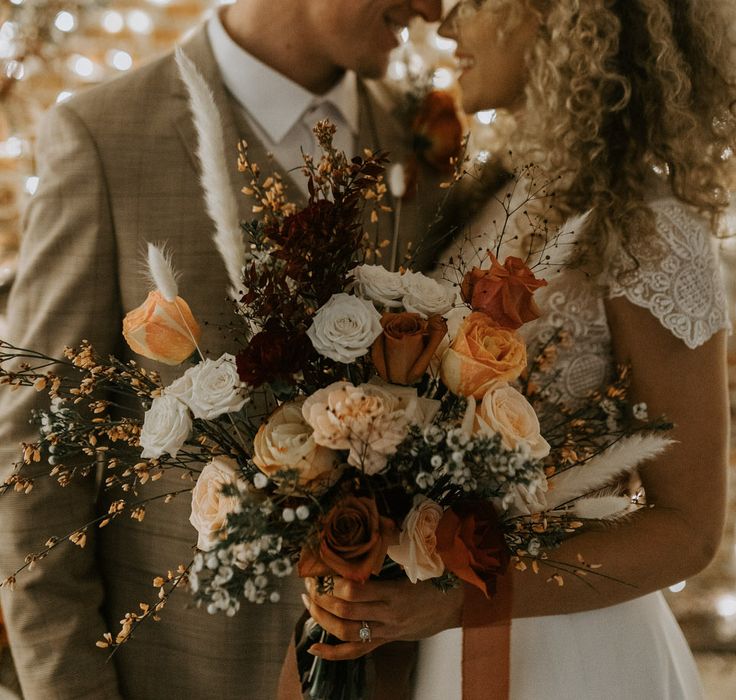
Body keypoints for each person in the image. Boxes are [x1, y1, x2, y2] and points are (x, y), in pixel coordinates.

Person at [0, 1, 460, 698]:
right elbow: (35, 458)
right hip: (174, 674)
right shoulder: (105, 134)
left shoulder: (421, 134)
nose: (431, 8)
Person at [299, 1, 736, 698]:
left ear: (561, 17)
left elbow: (689, 529)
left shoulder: (651, 230)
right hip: (437, 648)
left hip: (568, 657)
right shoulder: (501, 192)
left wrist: (459, 599)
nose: (445, 24)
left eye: (474, 2)